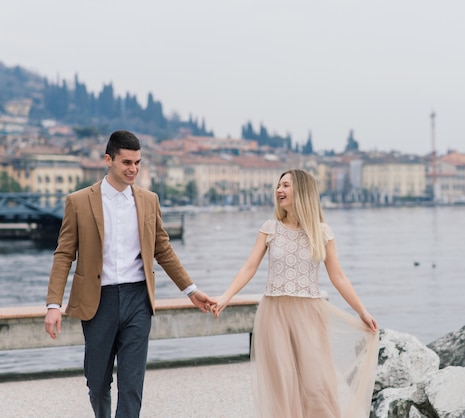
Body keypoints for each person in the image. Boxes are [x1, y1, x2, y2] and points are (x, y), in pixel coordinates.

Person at [44, 130, 215, 418]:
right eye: (126, 162)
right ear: (108, 159)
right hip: (98, 302)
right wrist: (53, 305)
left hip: (138, 299)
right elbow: (64, 254)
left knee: (132, 384)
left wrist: (191, 290)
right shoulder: (79, 201)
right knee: (97, 384)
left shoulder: (150, 200)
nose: (133, 169)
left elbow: (163, 249)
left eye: (137, 163)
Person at [212, 168, 379, 418]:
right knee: (283, 384)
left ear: (302, 191)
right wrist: (225, 297)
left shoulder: (322, 232)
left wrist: (362, 311)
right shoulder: (270, 228)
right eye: (279, 185)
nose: (279, 190)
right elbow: (250, 267)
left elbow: (338, 277)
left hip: (309, 314)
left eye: (286, 185)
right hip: (274, 313)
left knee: (316, 383)